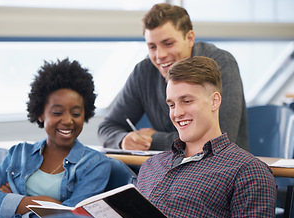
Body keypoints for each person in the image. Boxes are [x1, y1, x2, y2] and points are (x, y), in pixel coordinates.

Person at [136, 56, 276, 218]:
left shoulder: (247, 171)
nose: (177, 113)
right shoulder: (151, 165)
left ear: (214, 101)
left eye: (187, 101)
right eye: (171, 104)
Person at [0, 58, 112, 218]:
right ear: (41, 114)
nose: (68, 120)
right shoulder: (18, 154)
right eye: (57, 112)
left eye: (76, 114)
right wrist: (45, 203)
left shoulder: (95, 164)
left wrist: (14, 200)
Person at [98, 3, 249, 151]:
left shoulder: (221, 63)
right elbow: (107, 127)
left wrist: (154, 140)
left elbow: (222, 137)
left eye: (168, 43)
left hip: (220, 166)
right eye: (152, 47)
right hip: (170, 168)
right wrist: (123, 140)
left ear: (190, 39)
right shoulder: (143, 72)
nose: (160, 55)